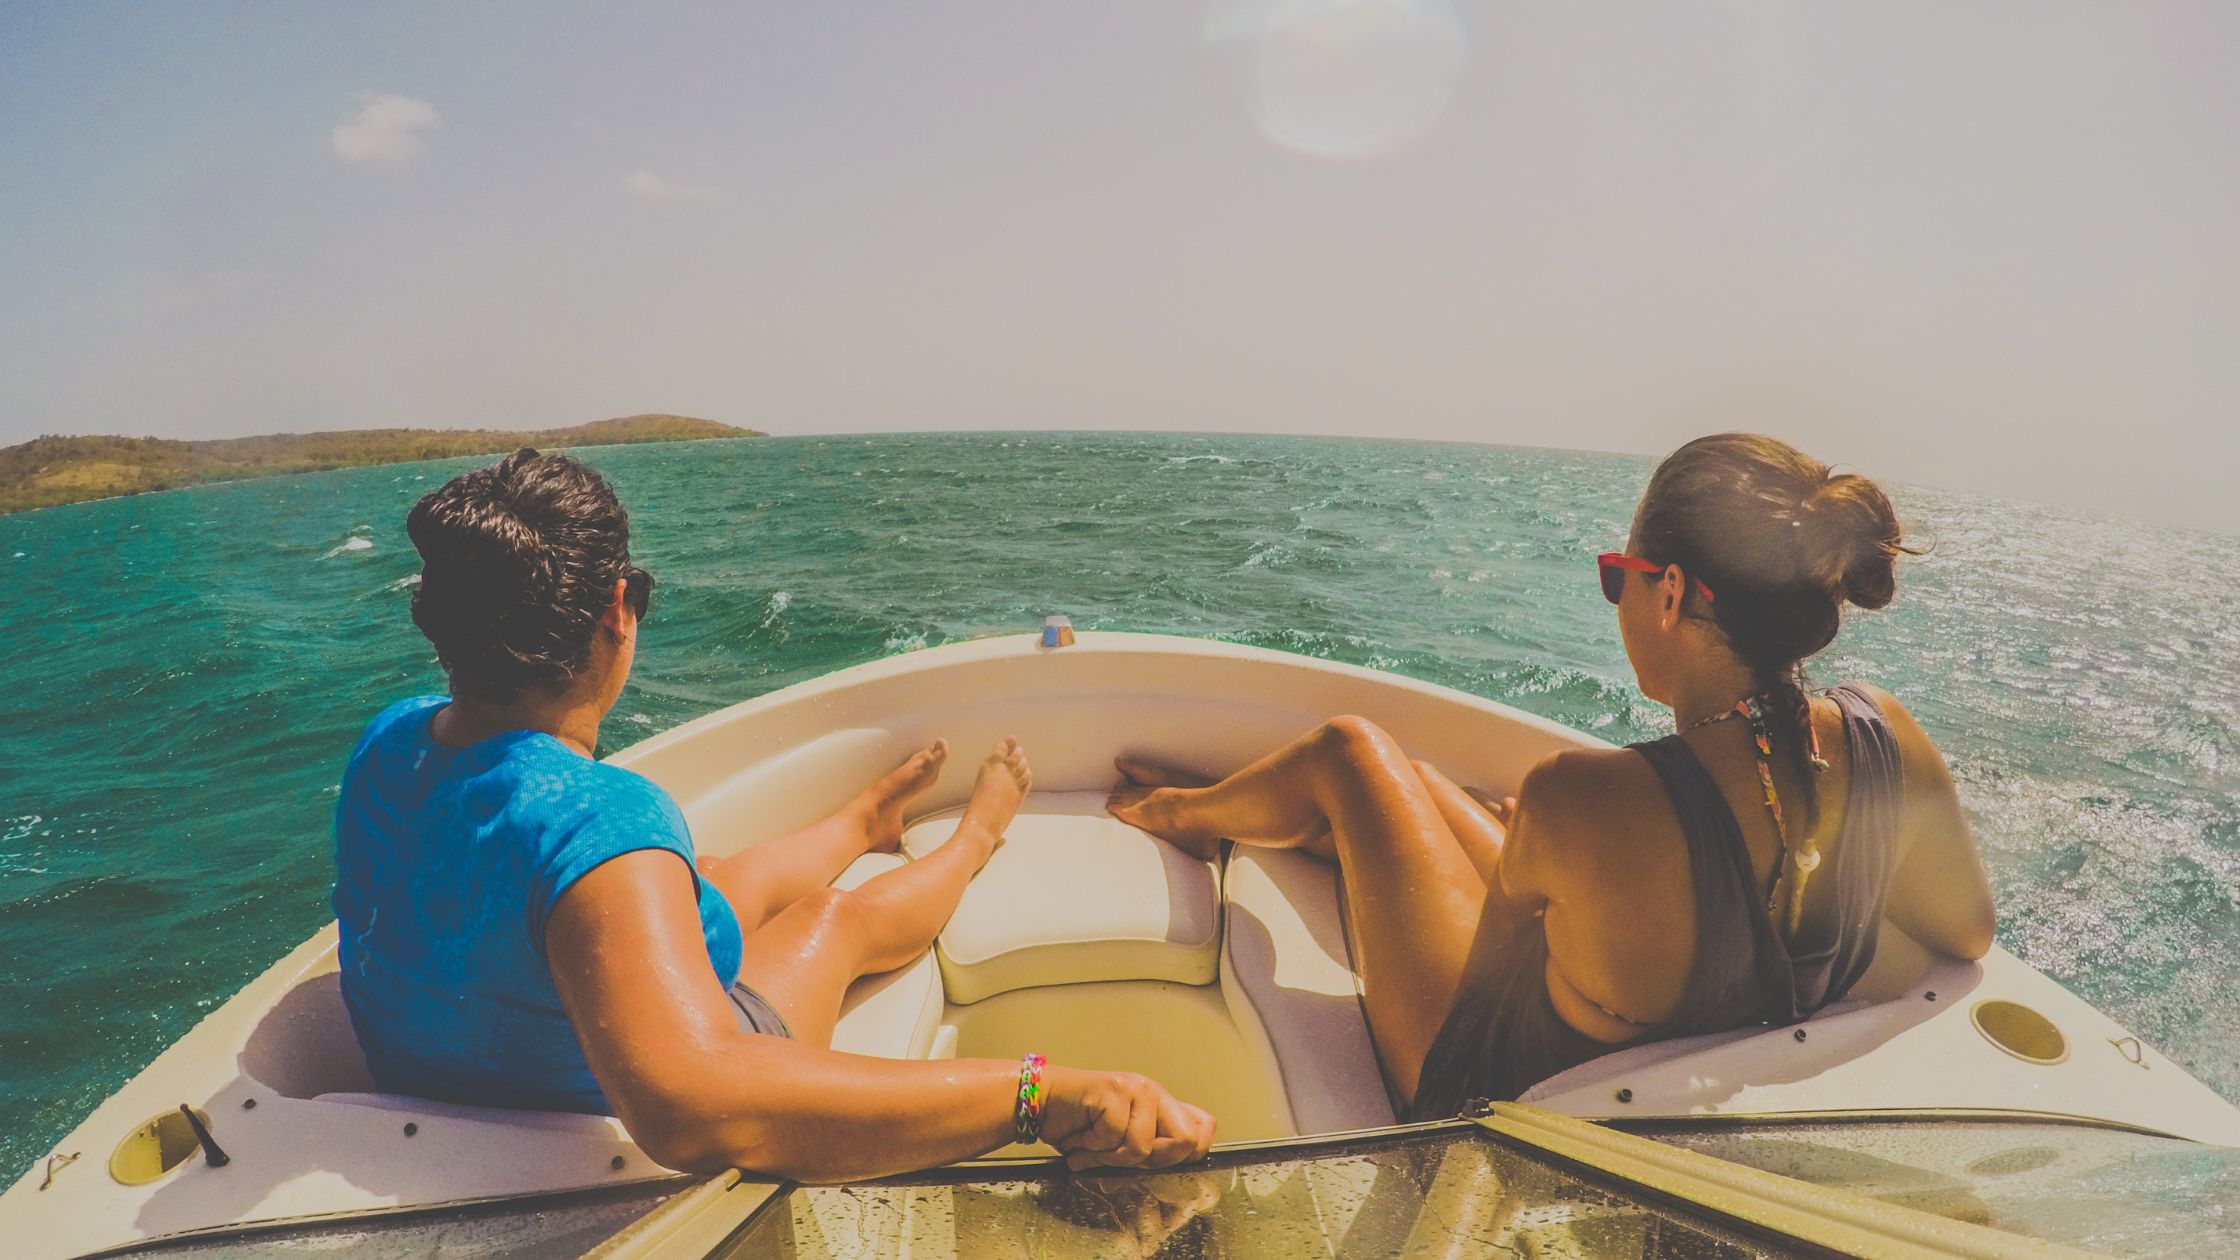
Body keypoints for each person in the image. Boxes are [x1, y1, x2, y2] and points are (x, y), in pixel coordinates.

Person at [334, 449, 1215, 1181]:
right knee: (835, 917)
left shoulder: (394, 737)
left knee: (705, 881)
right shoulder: (597, 819)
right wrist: (1036, 1094)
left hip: (446, 1071)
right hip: (569, 1108)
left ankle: (859, 824)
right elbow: (694, 1108)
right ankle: (979, 833)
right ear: (617, 610)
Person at [1109, 433, 1997, 1118]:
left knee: (1354, 754)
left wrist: (1540, 844)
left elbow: (1487, 990)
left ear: (1674, 592)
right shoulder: (1888, 740)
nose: (1618, 600)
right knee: (1419, 784)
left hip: (1486, 1092)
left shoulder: (1588, 799)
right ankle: (1302, 821)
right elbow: (1966, 931)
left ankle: (1183, 813)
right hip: (1695, 1045)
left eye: (1621, 578)